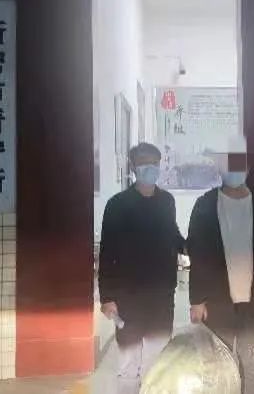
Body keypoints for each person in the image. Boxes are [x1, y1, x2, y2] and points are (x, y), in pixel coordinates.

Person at [187, 136, 254, 394]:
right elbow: (197, 255)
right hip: (216, 301)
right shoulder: (205, 205)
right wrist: (196, 300)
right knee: (219, 366)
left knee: (252, 364)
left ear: (248, 167)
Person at [98, 143, 185, 394]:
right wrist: (107, 297)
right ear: (134, 167)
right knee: (129, 364)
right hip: (128, 297)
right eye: (145, 163)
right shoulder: (117, 204)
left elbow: (173, 235)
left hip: (161, 296)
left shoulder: (166, 201)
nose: (151, 168)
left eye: (155, 163)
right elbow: (107, 253)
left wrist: (192, 247)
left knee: (159, 362)